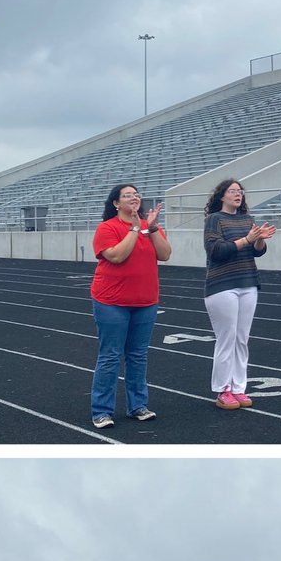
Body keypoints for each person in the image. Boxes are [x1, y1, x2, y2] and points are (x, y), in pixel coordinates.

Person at [89, 183, 173, 428]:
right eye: (127, 195)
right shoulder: (107, 228)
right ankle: (102, 410)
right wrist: (136, 228)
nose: (134, 198)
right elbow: (116, 256)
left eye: (136, 195)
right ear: (116, 203)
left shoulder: (151, 227)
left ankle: (138, 406)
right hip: (111, 301)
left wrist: (153, 227)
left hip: (145, 301)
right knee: (110, 356)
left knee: (138, 356)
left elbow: (165, 254)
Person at [202, 180, 277, 411]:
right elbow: (216, 250)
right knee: (227, 338)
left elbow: (258, 252)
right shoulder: (214, 219)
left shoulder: (247, 220)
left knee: (242, 338)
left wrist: (260, 238)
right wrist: (247, 239)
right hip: (222, 285)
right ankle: (223, 389)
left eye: (240, 191)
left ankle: (238, 387)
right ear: (222, 196)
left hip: (248, 283)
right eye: (232, 191)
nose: (238, 194)